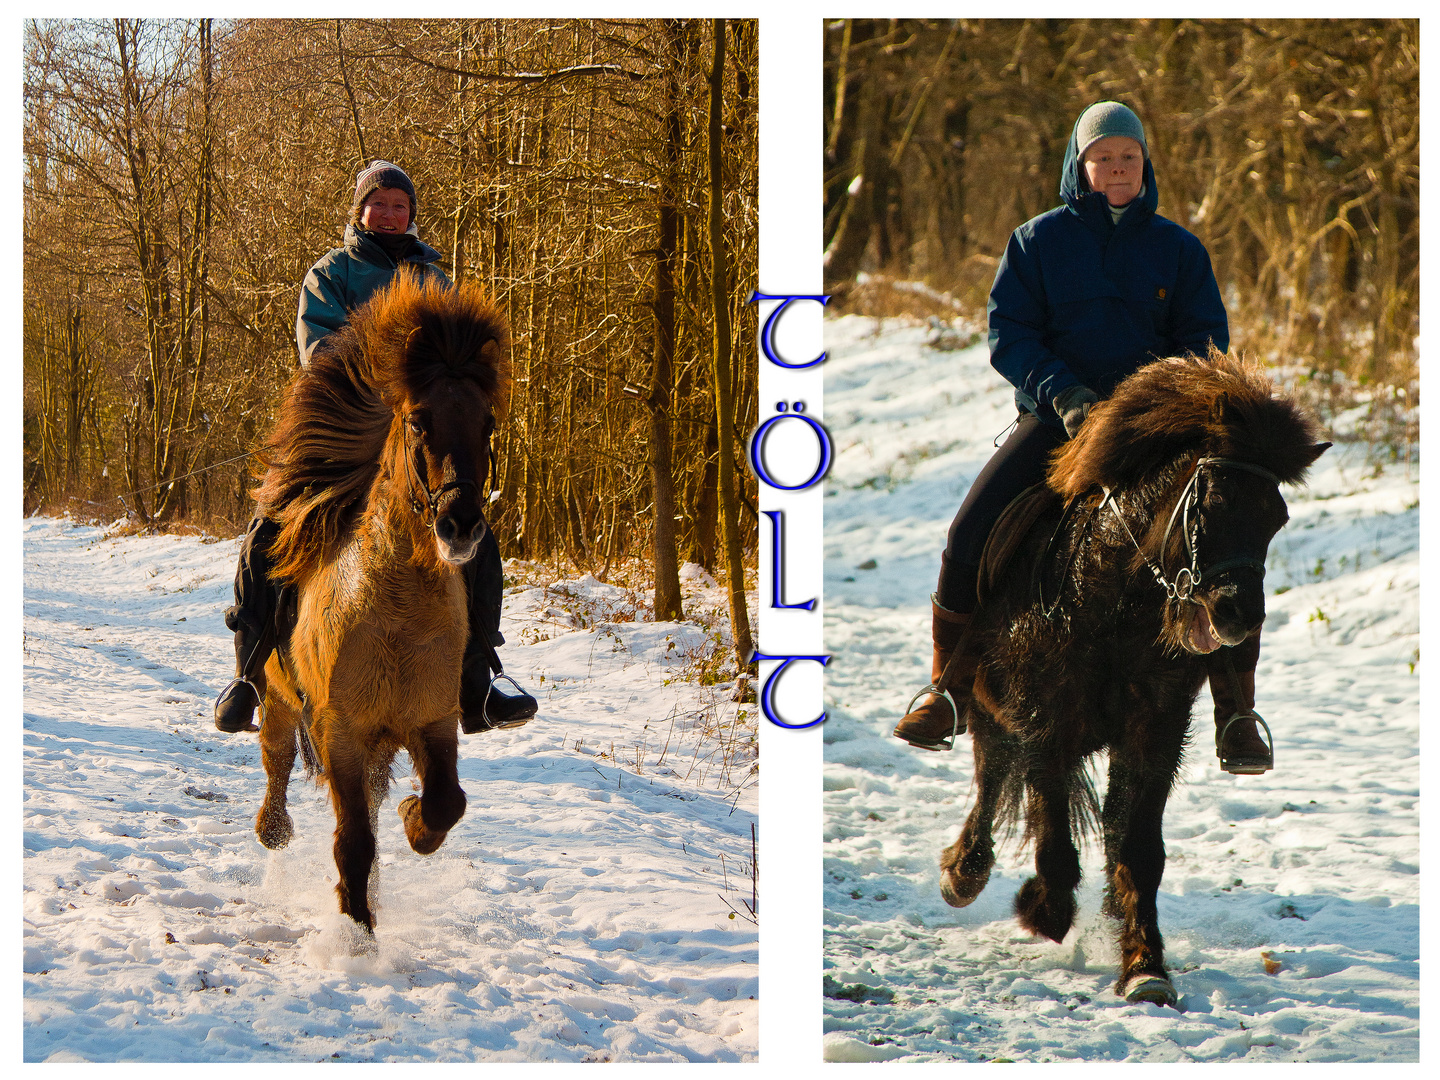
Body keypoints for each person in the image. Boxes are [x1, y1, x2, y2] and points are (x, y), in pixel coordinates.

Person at [893, 102, 1272, 774]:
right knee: (969, 531)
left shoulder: (1180, 250)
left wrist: (1156, 400)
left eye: (1128, 157)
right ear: (1081, 165)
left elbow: (1206, 341)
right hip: (1058, 421)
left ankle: (1236, 715)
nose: (1117, 169)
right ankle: (947, 689)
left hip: (1157, 429)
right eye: (1104, 158)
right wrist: (1066, 396)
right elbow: (1010, 336)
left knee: (1228, 542)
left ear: (1144, 164)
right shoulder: (1036, 243)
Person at [214, 160, 538, 737]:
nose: (389, 214)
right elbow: (320, 354)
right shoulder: (330, 274)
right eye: (379, 204)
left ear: (411, 214)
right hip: (345, 428)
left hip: (417, 437)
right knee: (270, 526)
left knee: (477, 543)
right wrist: (384, 383)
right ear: (359, 211)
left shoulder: (434, 279)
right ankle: (249, 676)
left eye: (400, 206)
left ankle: (478, 682)